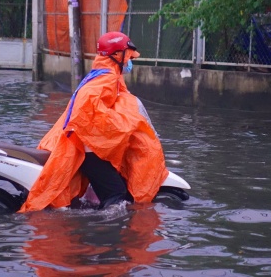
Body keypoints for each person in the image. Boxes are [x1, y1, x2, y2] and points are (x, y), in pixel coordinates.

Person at [19, 31, 168, 212]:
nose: (130, 61)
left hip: (85, 145)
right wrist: (125, 126)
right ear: (117, 56)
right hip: (90, 149)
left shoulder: (100, 74)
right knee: (116, 197)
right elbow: (86, 109)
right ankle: (108, 234)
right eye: (128, 56)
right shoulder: (107, 78)